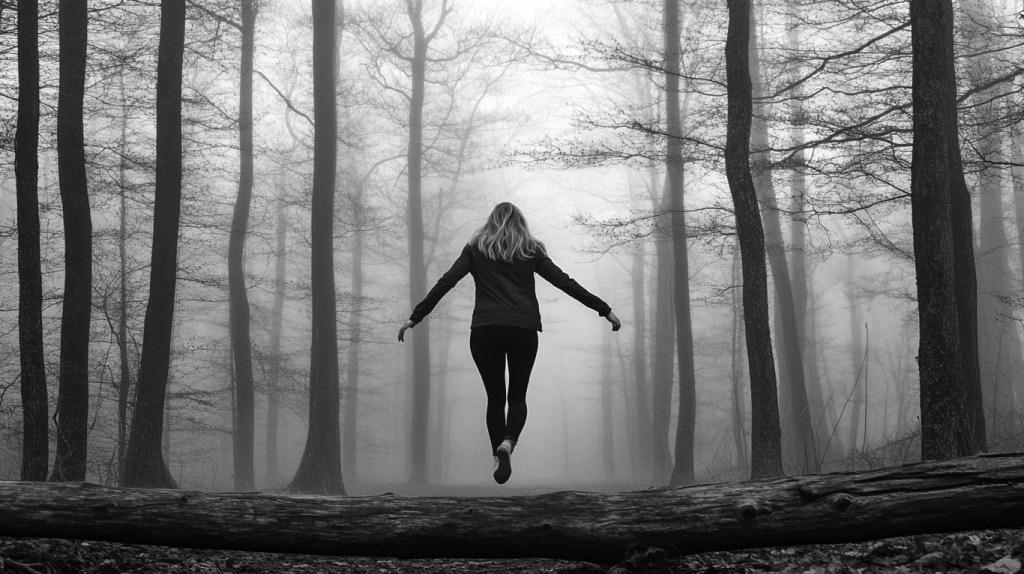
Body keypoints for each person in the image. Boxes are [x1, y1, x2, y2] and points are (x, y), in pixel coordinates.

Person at [398, 202, 621, 484]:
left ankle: (497, 456)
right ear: (521, 223)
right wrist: (604, 309)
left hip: (485, 330)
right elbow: (566, 282)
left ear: (491, 222)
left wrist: (415, 317)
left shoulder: (476, 248)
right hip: (522, 329)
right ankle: (508, 443)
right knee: (517, 396)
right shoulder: (531, 250)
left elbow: (447, 282)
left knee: (495, 398)